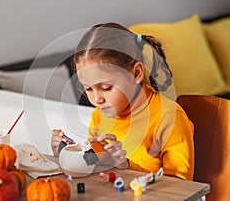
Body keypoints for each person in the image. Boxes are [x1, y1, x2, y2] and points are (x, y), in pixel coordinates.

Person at [51, 22, 194, 180]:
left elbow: (181, 188)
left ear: (136, 74)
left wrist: (127, 166)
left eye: (106, 87)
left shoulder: (169, 118)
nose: (97, 99)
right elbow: (96, 169)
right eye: (88, 89)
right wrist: (67, 156)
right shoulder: (99, 116)